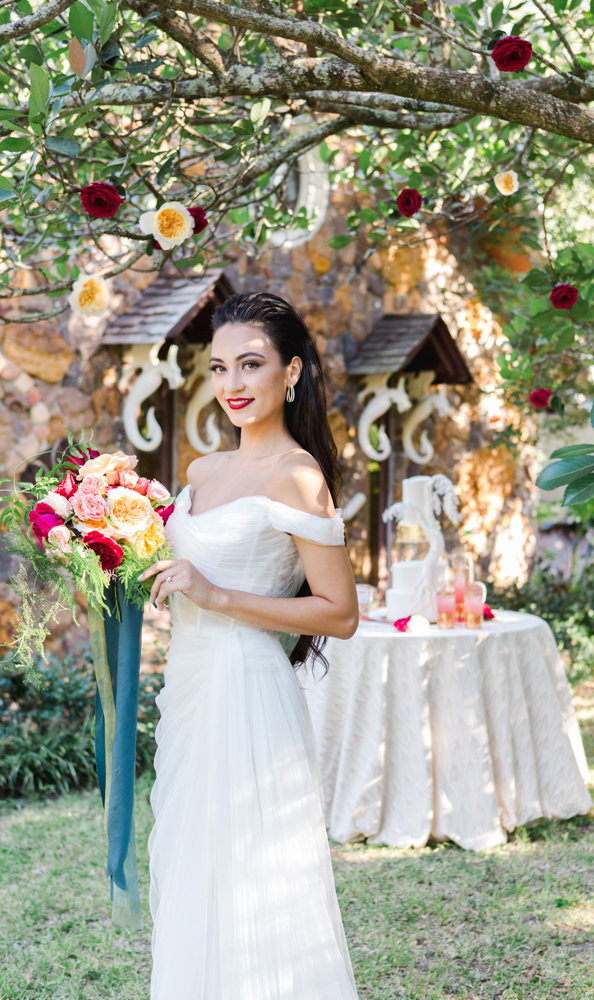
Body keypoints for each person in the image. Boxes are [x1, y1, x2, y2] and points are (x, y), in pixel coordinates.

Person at [139, 292, 360, 1000]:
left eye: (251, 365)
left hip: (250, 692)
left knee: (253, 870)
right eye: (219, 368)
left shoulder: (298, 476)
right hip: (191, 688)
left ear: (290, 372)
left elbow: (340, 613)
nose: (233, 384)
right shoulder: (201, 472)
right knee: (194, 859)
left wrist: (218, 596)